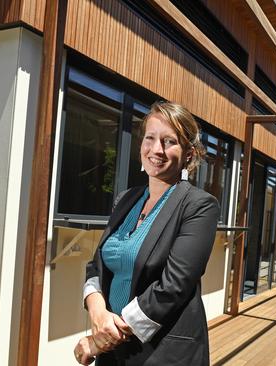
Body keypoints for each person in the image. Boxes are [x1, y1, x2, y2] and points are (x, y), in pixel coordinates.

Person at [74, 101, 219, 365]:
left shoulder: (199, 205)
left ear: (188, 153)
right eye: (150, 138)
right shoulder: (126, 200)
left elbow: (172, 288)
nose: (157, 149)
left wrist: (99, 339)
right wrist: (96, 310)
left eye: (169, 141)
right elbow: (97, 266)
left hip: (161, 353)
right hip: (113, 350)